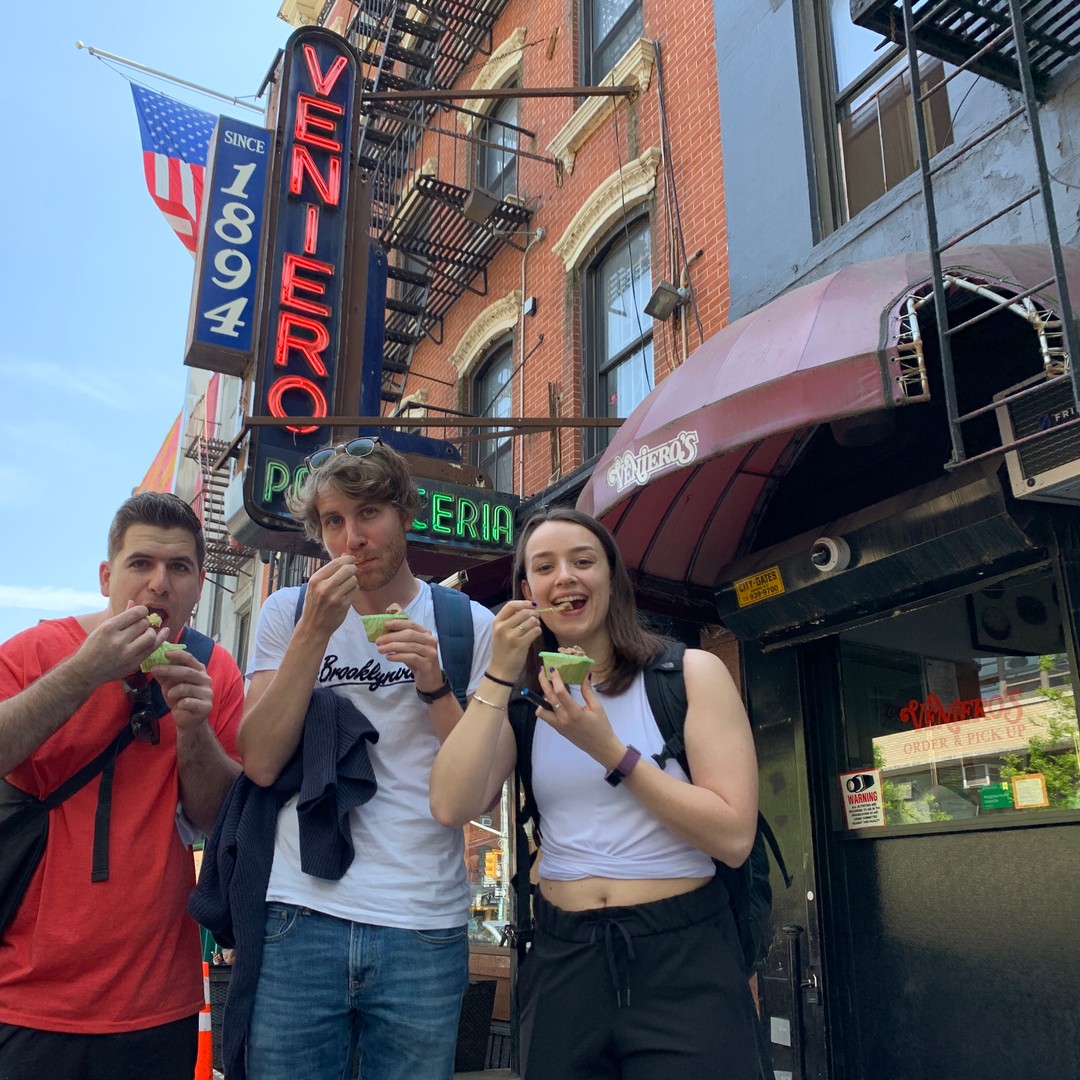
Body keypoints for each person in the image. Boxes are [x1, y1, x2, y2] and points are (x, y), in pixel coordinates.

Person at [430, 506, 762, 1080]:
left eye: (583, 561)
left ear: (611, 578)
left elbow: (733, 837)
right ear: (527, 593)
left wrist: (610, 751)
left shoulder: (689, 674)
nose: (565, 577)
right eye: (544, 567)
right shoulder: (526, 702)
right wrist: (499, 674)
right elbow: (451, 804)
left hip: (684, 955)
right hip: (564, 956)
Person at [236, 437, 494, 1080]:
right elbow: (260, 761)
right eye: (333, 521)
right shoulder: (288, 614)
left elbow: (483, 793)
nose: (352, 538)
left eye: (369, 513)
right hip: (300, 911)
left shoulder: (468, 626)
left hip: (422, 920)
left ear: (404, 514)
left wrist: (434, 683)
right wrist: (313, 635)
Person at [0, 492, 244, 1080]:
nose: (159, 583)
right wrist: (87, 672)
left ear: (199, 585)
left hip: (156, 1001)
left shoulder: (215, 669)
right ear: (108, 577)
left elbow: (217, 819)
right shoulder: (36, 651)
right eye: (141, 564)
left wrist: (193, 728)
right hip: (24, 995)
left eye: (178, 567)